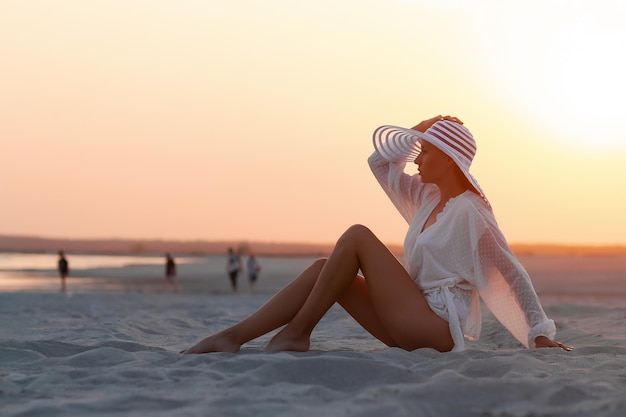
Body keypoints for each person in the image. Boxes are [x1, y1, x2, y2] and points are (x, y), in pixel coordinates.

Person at [183, 115, 573, 354]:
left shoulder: (472, 212)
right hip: (408, 317)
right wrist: (423, 127)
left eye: (426, 150)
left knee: (356, 236)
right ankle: (233, 337)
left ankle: (297, 333)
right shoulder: (426, 197)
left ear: (450, 160)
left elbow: (511, 270)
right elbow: (378, 162)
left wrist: (538, 333)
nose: (417, 158)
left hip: (435, 327)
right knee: (326, 268)